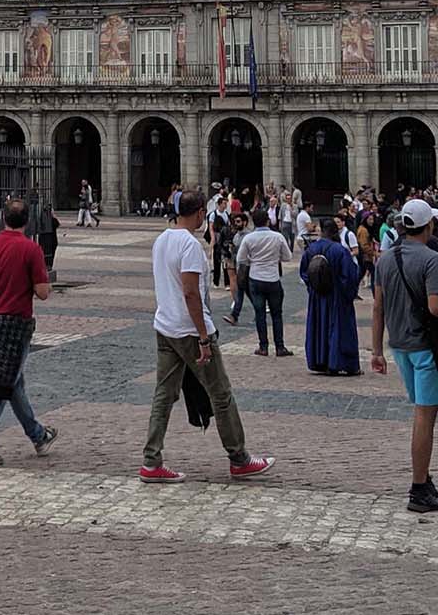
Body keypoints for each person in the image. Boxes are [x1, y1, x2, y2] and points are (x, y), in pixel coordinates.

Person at [139, 191, 273, 484]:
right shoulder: (189, 245)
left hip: (165, 326)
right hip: (189, 330)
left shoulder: (162, 240)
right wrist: (203, 335)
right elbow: (190, 293)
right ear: (200, 213)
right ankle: (239, 458)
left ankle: (151, 461)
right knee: (221, 393)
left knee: (164, 393)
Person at [368, 198, 438, 514]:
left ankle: (424, 477)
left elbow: (377, 307)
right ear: (430, 225)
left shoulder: (385, 259)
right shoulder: (431, 259)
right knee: (425, 418)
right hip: (426, 347)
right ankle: (419, 488)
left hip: (400, 347)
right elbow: (436, 306)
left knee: (421, 414)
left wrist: (376, 351)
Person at [0, 200, 58, 465]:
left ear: (2, 219)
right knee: (1, 383)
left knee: (13, 381)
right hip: (16, 323)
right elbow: (43, 293)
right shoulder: (31, 249)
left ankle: (38, 435)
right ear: (27, 221)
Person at [300, 218, 361, 376]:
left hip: (317, 297)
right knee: (338, 328)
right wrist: (347, 293)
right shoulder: (340, 251)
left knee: (319, 327)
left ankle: (320, 361)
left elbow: (304, 273)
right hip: (337, 298)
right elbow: (349, 276)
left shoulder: (311, 249)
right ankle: (339, 362)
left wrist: (314, 287)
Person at [235, 210, 293, 358]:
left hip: (255, 278)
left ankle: (263, 346)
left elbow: (241, 258)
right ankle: (280, 346)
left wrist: (253, 261)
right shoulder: (277, 237)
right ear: (268, 221)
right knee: (276, 314)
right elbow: (288, 257)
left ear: (253, 222)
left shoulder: (249, 238)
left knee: (260, 314)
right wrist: (275, 258)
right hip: (273, 278)